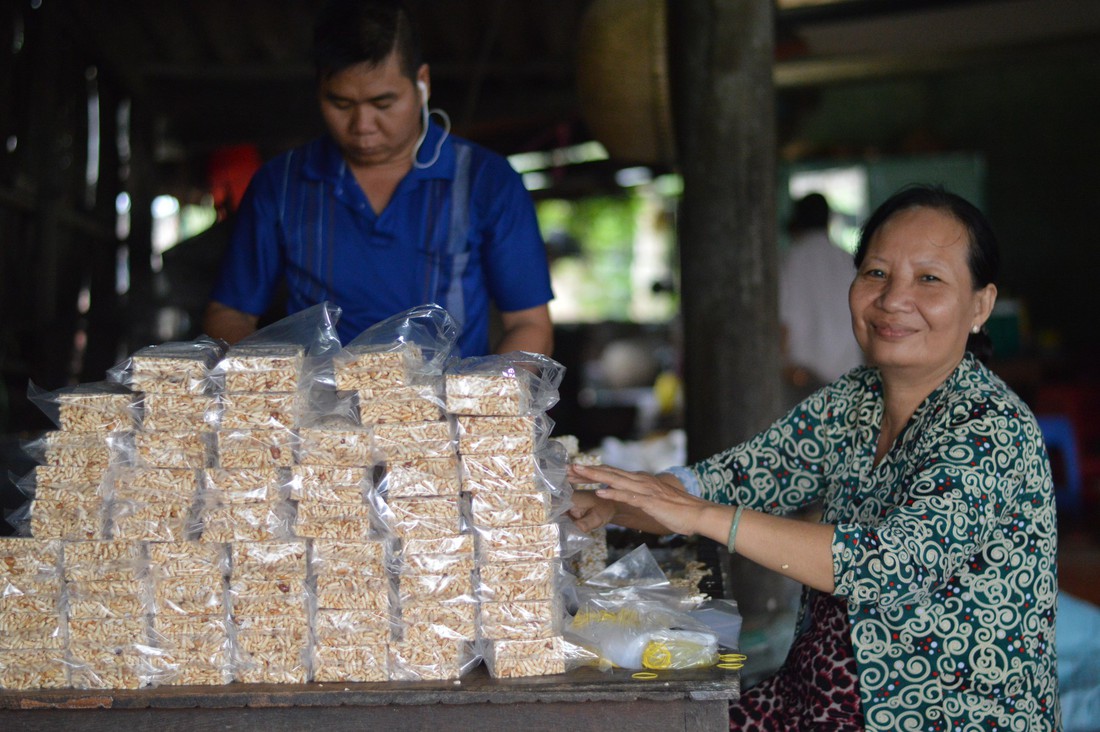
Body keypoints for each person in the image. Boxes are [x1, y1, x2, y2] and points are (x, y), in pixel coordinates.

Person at [568, 185, 1059, 730]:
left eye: (929, 279)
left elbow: (890, 564)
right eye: (876, 273)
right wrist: (606, 501)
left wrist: (697, 515)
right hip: (815, 694)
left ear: (980, 305)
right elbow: (735, 479)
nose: (894, 299)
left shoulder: (992, 426)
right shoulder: (856, 398)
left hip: (934, 715)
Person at [202, 0, 554, 358]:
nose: (363, 126)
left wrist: (489, 404)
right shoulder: (282, 184)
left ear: (422, 83)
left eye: (383, 104)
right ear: (319, 89)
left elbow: (529, 324)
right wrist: (275, 383)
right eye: (341, 104)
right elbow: (229, 313)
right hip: (317, 410)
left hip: (446, 411)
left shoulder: (486, 182)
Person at [778, 192, 863, 395]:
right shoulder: (849, 262)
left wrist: (779, 366)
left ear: (796, 226)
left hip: (802, 382)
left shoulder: (789, 261)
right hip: (849, 380)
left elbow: (782, 326)